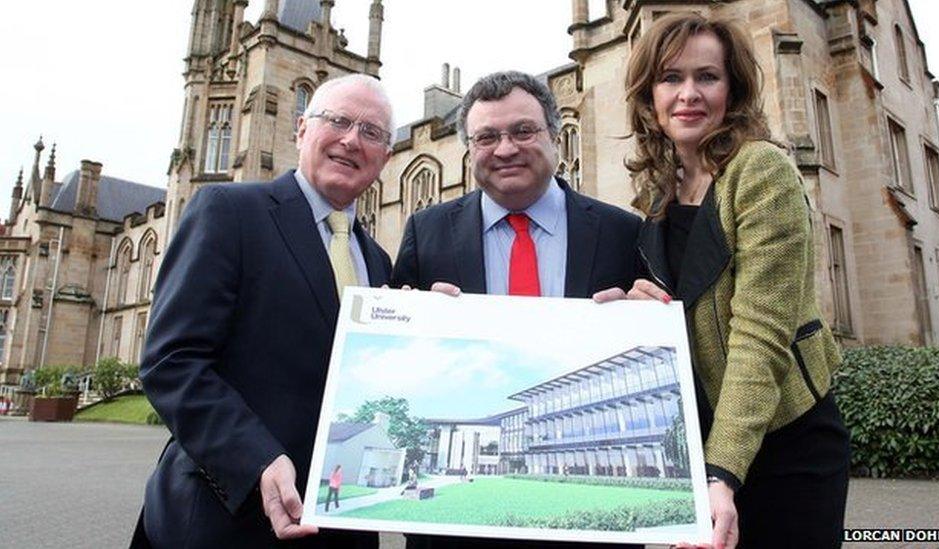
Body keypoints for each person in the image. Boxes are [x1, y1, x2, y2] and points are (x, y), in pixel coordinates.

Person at [600, 12, 850, 549]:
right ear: (649, 97)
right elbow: (688, 310)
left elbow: (760, 333)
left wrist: (723, 474)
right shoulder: (659, 192)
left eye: (706, 77)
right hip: (709, 441)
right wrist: (643, 311)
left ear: (731, 89)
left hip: (787, 444)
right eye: (670, 78)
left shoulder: (761, 171)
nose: (688, 93)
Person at [133, 74, 394, 548]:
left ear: (385, 157)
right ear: (301, 130)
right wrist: (255, 458)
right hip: (225, 519)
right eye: (337, 121)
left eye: (371, 132)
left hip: (338, 525)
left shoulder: (376, 261)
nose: (352, 139)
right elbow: (171, 361)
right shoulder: (230, 211)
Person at [393, 70, 642, 549]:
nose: (505, 148)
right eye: (487, 136)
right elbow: (402, 363)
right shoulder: (426, 233)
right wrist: (409, 325)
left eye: (523, 131)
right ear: (470, 151)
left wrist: (648, 315)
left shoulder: (623, 234)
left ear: (555, 137)